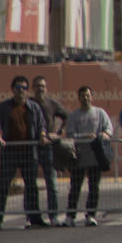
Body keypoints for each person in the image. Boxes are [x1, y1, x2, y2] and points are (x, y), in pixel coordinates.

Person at [0, 75, 48, 229]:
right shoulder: (5, 106)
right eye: (18, 88)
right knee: (3, 186)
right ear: (12, 89)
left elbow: (42, 126)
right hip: (10, 153)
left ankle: (35, 218)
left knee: (31, 186)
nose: (21, 91)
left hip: (29, 152)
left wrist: (42, 136)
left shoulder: (33, 107)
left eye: (24, 88)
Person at [63, 85, 113, 226]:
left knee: (94, 187)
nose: (85, 98)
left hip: (95, 157)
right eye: (82, 96)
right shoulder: (74, 116)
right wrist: (85, 136)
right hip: (78, 158)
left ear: (92, 97)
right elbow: (70, 134)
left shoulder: (100, 113)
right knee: (75, 188)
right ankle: (70, 216)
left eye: (88, 95)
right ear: (78, 98)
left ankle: (91, 215)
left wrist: (104, 134)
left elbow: (109, 128)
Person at [30, 75, 69, 224]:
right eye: (38, 86)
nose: (40, 88)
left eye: (43, 86)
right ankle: (34, 217)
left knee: (51, 184)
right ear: (33, 88)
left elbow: (66, 117)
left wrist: (58, 133)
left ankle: (53, 216)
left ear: (46, 88)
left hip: (48, 148)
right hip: (32, 148)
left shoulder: (51, 103)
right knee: (31, 184)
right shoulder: (29, 103)